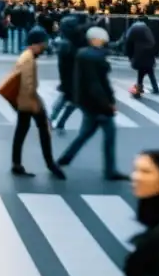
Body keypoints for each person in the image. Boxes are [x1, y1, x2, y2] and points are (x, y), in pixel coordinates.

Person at [56, 27, 128, 180]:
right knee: (109, 135)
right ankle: (110, 170)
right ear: (95, 39)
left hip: (87, 102)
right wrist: (108, 104)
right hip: (97, 104)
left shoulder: (84, 55)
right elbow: (97, 84)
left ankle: (65, 158)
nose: (104, 42)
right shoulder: (93, 58)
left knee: (85, 134)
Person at [11, 28, 65, 179]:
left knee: (21, 131)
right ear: (34, 44)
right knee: (43, 130)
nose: (44, 48)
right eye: (42, 45)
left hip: (25, 101)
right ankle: (50, 164)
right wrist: (36, 105)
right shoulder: (28, 59)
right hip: (29, 102)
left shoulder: (27, 56)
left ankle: (17, 164)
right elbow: (28, 86)